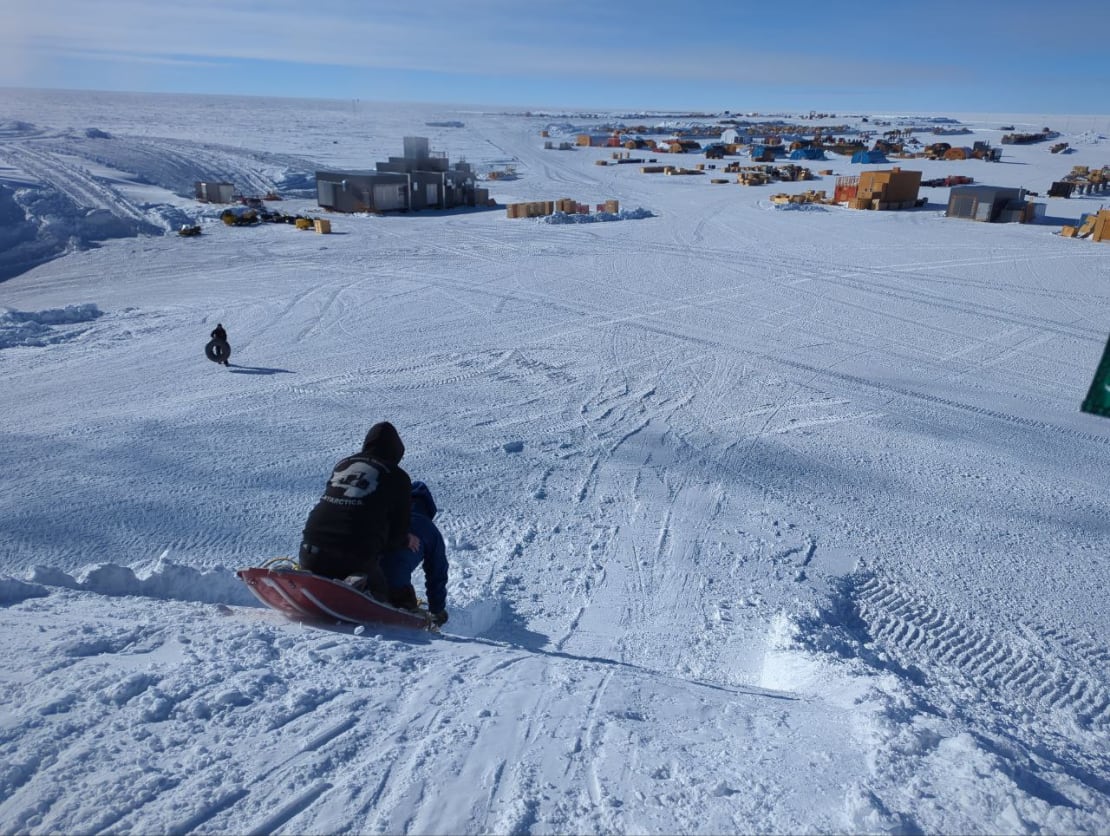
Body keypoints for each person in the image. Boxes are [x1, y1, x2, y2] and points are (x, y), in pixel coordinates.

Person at [299, 422, 414, 602]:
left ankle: (309, 574)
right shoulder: (398, 477)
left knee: (321, 559)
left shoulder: (342, 464)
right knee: (383, 593)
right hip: (355, 556)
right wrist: (404, 540)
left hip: (311, 549)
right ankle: (360, 585)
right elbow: (398, 532)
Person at [380, 481, 449, 626]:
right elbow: (437, 573)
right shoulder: (431, 531)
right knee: (395, 571)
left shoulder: (383, 516)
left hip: (363, 569)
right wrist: (437, 609)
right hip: (393, 584)